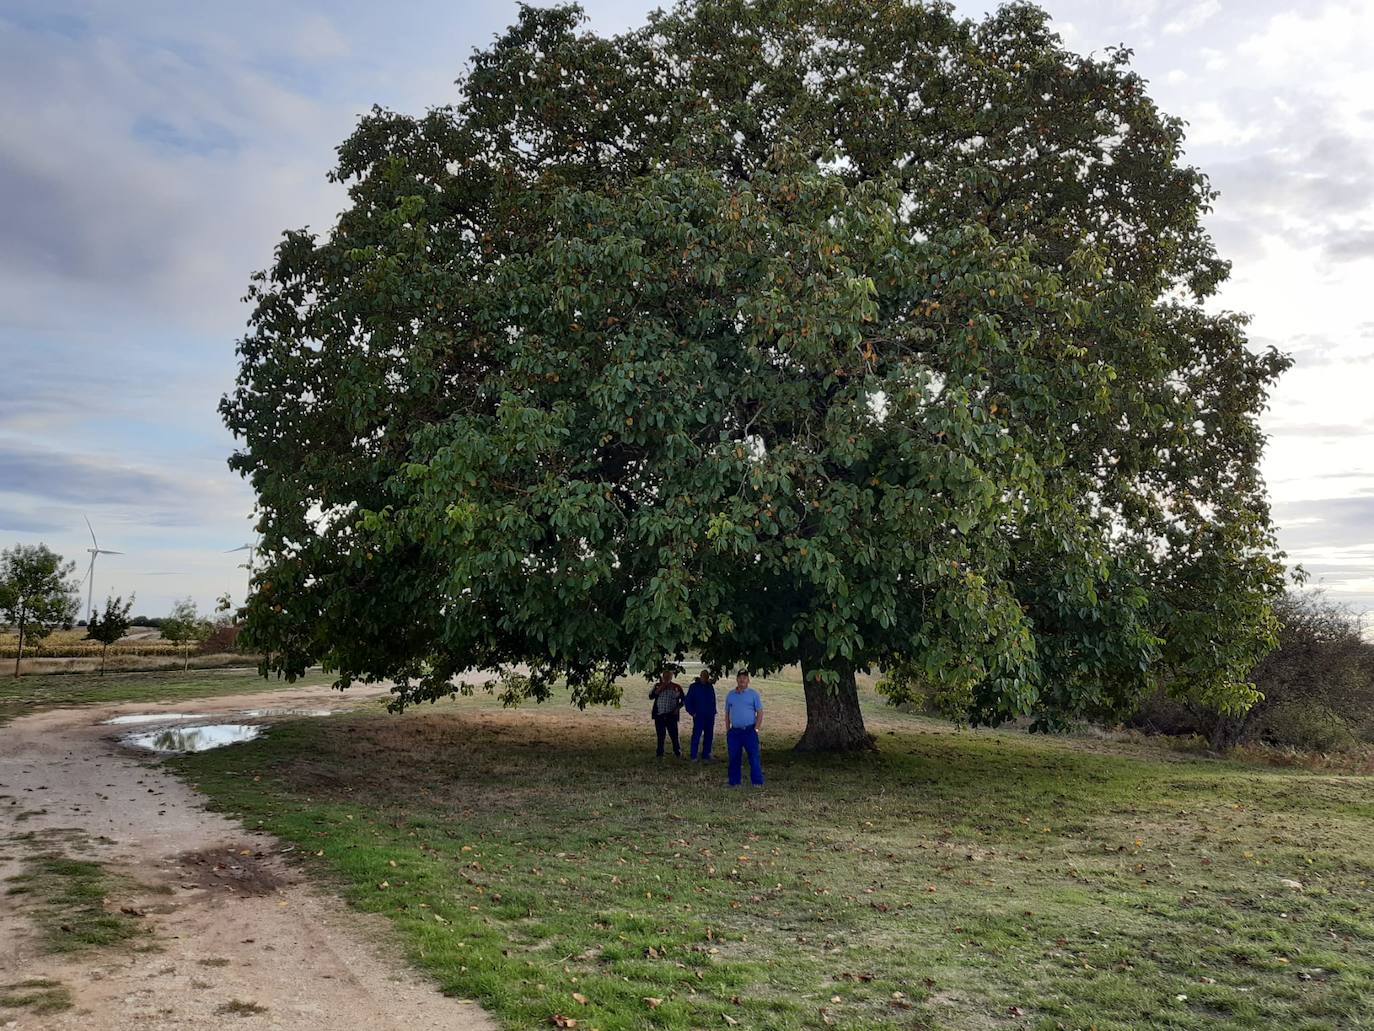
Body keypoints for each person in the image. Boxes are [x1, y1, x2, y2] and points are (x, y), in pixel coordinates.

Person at [724, 669, 764, 787]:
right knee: (734, 757)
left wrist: (756, 729)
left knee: (754, 757)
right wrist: (728, 730)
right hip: (735, 732)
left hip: (749, 731)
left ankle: (757, 782)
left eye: (745, 678)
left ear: (748, 680)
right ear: (737, 679)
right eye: (740, 677)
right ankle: (734, 782)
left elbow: (760, 712)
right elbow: (726, 713)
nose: (742, 680)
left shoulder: (753, 694)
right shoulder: (730, 695)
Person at [649, 669, 685, 759]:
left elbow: (684, 699)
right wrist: (661, 687)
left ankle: (677, 752)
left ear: (671, 677)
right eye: (665, 677)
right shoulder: (657, 685)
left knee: (674, 734)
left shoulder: (676, 687)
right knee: (661, 735)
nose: (667, 678)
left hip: (671, 715)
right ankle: (660, 753)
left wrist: (678, 708)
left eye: (669, 677)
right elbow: (651, 696)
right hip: (659, 714)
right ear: (662, 677)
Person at [684, 668, 718, 762]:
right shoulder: (694, 687)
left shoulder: (709, 686)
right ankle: (693, 755)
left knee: (709, 735)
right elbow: (687, 701)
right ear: (700, 676)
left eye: (706, 676)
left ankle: (706, 754)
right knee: (696, 735)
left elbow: (713, 700)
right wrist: (692, 712)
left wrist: (713, 711)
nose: (705, 678)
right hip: (698, 715)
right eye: (703, 676)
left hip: (710, 715)